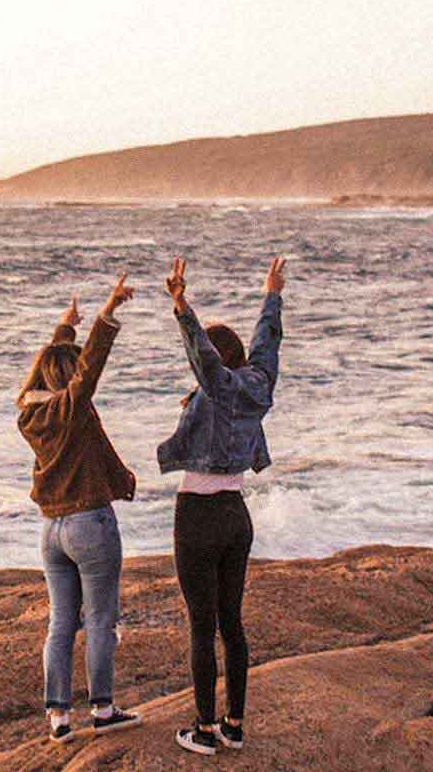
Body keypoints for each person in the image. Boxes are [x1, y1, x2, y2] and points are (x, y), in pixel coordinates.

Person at [157, 256, 286, 757]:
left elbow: (204, 358)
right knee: (231, 623)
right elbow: (267, 345)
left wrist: (180, 305)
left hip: (199, 516)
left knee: (200, 625)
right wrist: (271, 294)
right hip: (237, 516)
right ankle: (234, 724)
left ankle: (204, 730)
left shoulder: (220, 387)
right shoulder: (257, 387)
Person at [15, 271, 144, 744]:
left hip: (51, 530)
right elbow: (88, 369)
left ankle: (58, 719)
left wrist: (63, 330)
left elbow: (49, 369)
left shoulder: (30, 414)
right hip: (90, 523)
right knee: (101, 622)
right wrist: (107, 313)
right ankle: (104, 709)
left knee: (60, 624)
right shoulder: (70, 407)